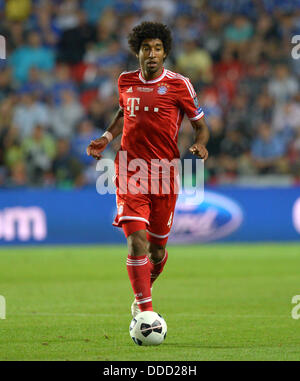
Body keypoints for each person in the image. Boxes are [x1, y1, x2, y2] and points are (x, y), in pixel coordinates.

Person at [87, 22, 209, 317]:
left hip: (165, 173)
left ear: (165, 53)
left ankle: (146, 287)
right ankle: (145, 313)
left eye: (157, 48)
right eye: (146, 48)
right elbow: (122, 112)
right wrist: (106, 137)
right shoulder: (125, 81)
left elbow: (201, 127)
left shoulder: (180, 85)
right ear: (137, 52)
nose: (151, 54)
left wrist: (201, 145)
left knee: (156, 251)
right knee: (135, 240)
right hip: (130, 169)